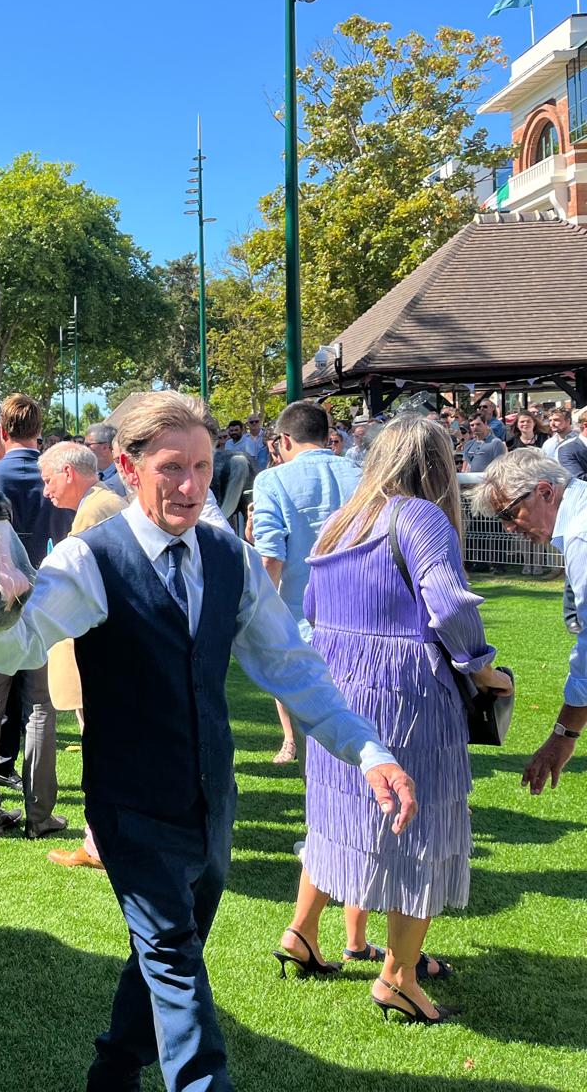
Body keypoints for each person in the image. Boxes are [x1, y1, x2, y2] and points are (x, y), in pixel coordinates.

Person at [0, 391, 413, 1091]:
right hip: (129, 807)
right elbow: (15, 644)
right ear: (127, 465)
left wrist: (368, 750)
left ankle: (112, 1071)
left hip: (213, 804)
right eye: (172, 467)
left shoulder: (228, 557)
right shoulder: (90, 559)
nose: (190, 486)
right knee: (176, 962)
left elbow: (291, 666)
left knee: (166, 956)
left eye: (204, 468)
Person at [279, 417, 510, 1026]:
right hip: (409, 695)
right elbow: (451, 604)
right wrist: (483, 668)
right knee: (419, 824)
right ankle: (399, 978)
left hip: (338, 698)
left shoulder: (341, 522)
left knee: (339, 814)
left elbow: (308, 608)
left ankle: (301, 933)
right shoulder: (418, 517)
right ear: (437, 463)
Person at [0, 394, 64, 839]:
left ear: (2, 431)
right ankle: (40, 816)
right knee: (40, 708)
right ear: (37, 428)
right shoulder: (58, 473)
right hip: (44, 599)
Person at [249, 400, 363, 766]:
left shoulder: (272, 479)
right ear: (327, 436)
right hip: (363, 621)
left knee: (315, 749)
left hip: (301, 624)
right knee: (365, 732)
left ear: (284, 440)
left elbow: (270, 557)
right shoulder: (361, 474)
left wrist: (257, 616)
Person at [37, 440, 126, 872]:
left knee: (101, 748)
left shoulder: (96, 509)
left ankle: (99, 845)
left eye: (48, 479)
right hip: (107, 651)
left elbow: (78, 583)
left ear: (69, 473)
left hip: (97, 652)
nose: (45, 491)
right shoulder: (107, 501)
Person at [479, 449, 586, 793]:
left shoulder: (581, 536)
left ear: (544, 491)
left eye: (511, 514)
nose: (510, 528)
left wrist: (563, 734)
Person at [84, 423, 127, 497]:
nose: (83, 448)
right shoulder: (85, 478)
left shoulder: (126, 476)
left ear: (105, 447)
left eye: (88, 445)